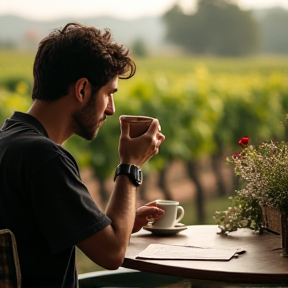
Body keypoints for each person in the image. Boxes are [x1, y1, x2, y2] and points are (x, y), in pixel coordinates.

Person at [0, 22, 165, 288]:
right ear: (82, 89)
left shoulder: (8, 143)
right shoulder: (44, 157)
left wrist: (120, 223)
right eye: (109, 94)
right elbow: (112, 254)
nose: (111, 109)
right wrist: (130, 165)